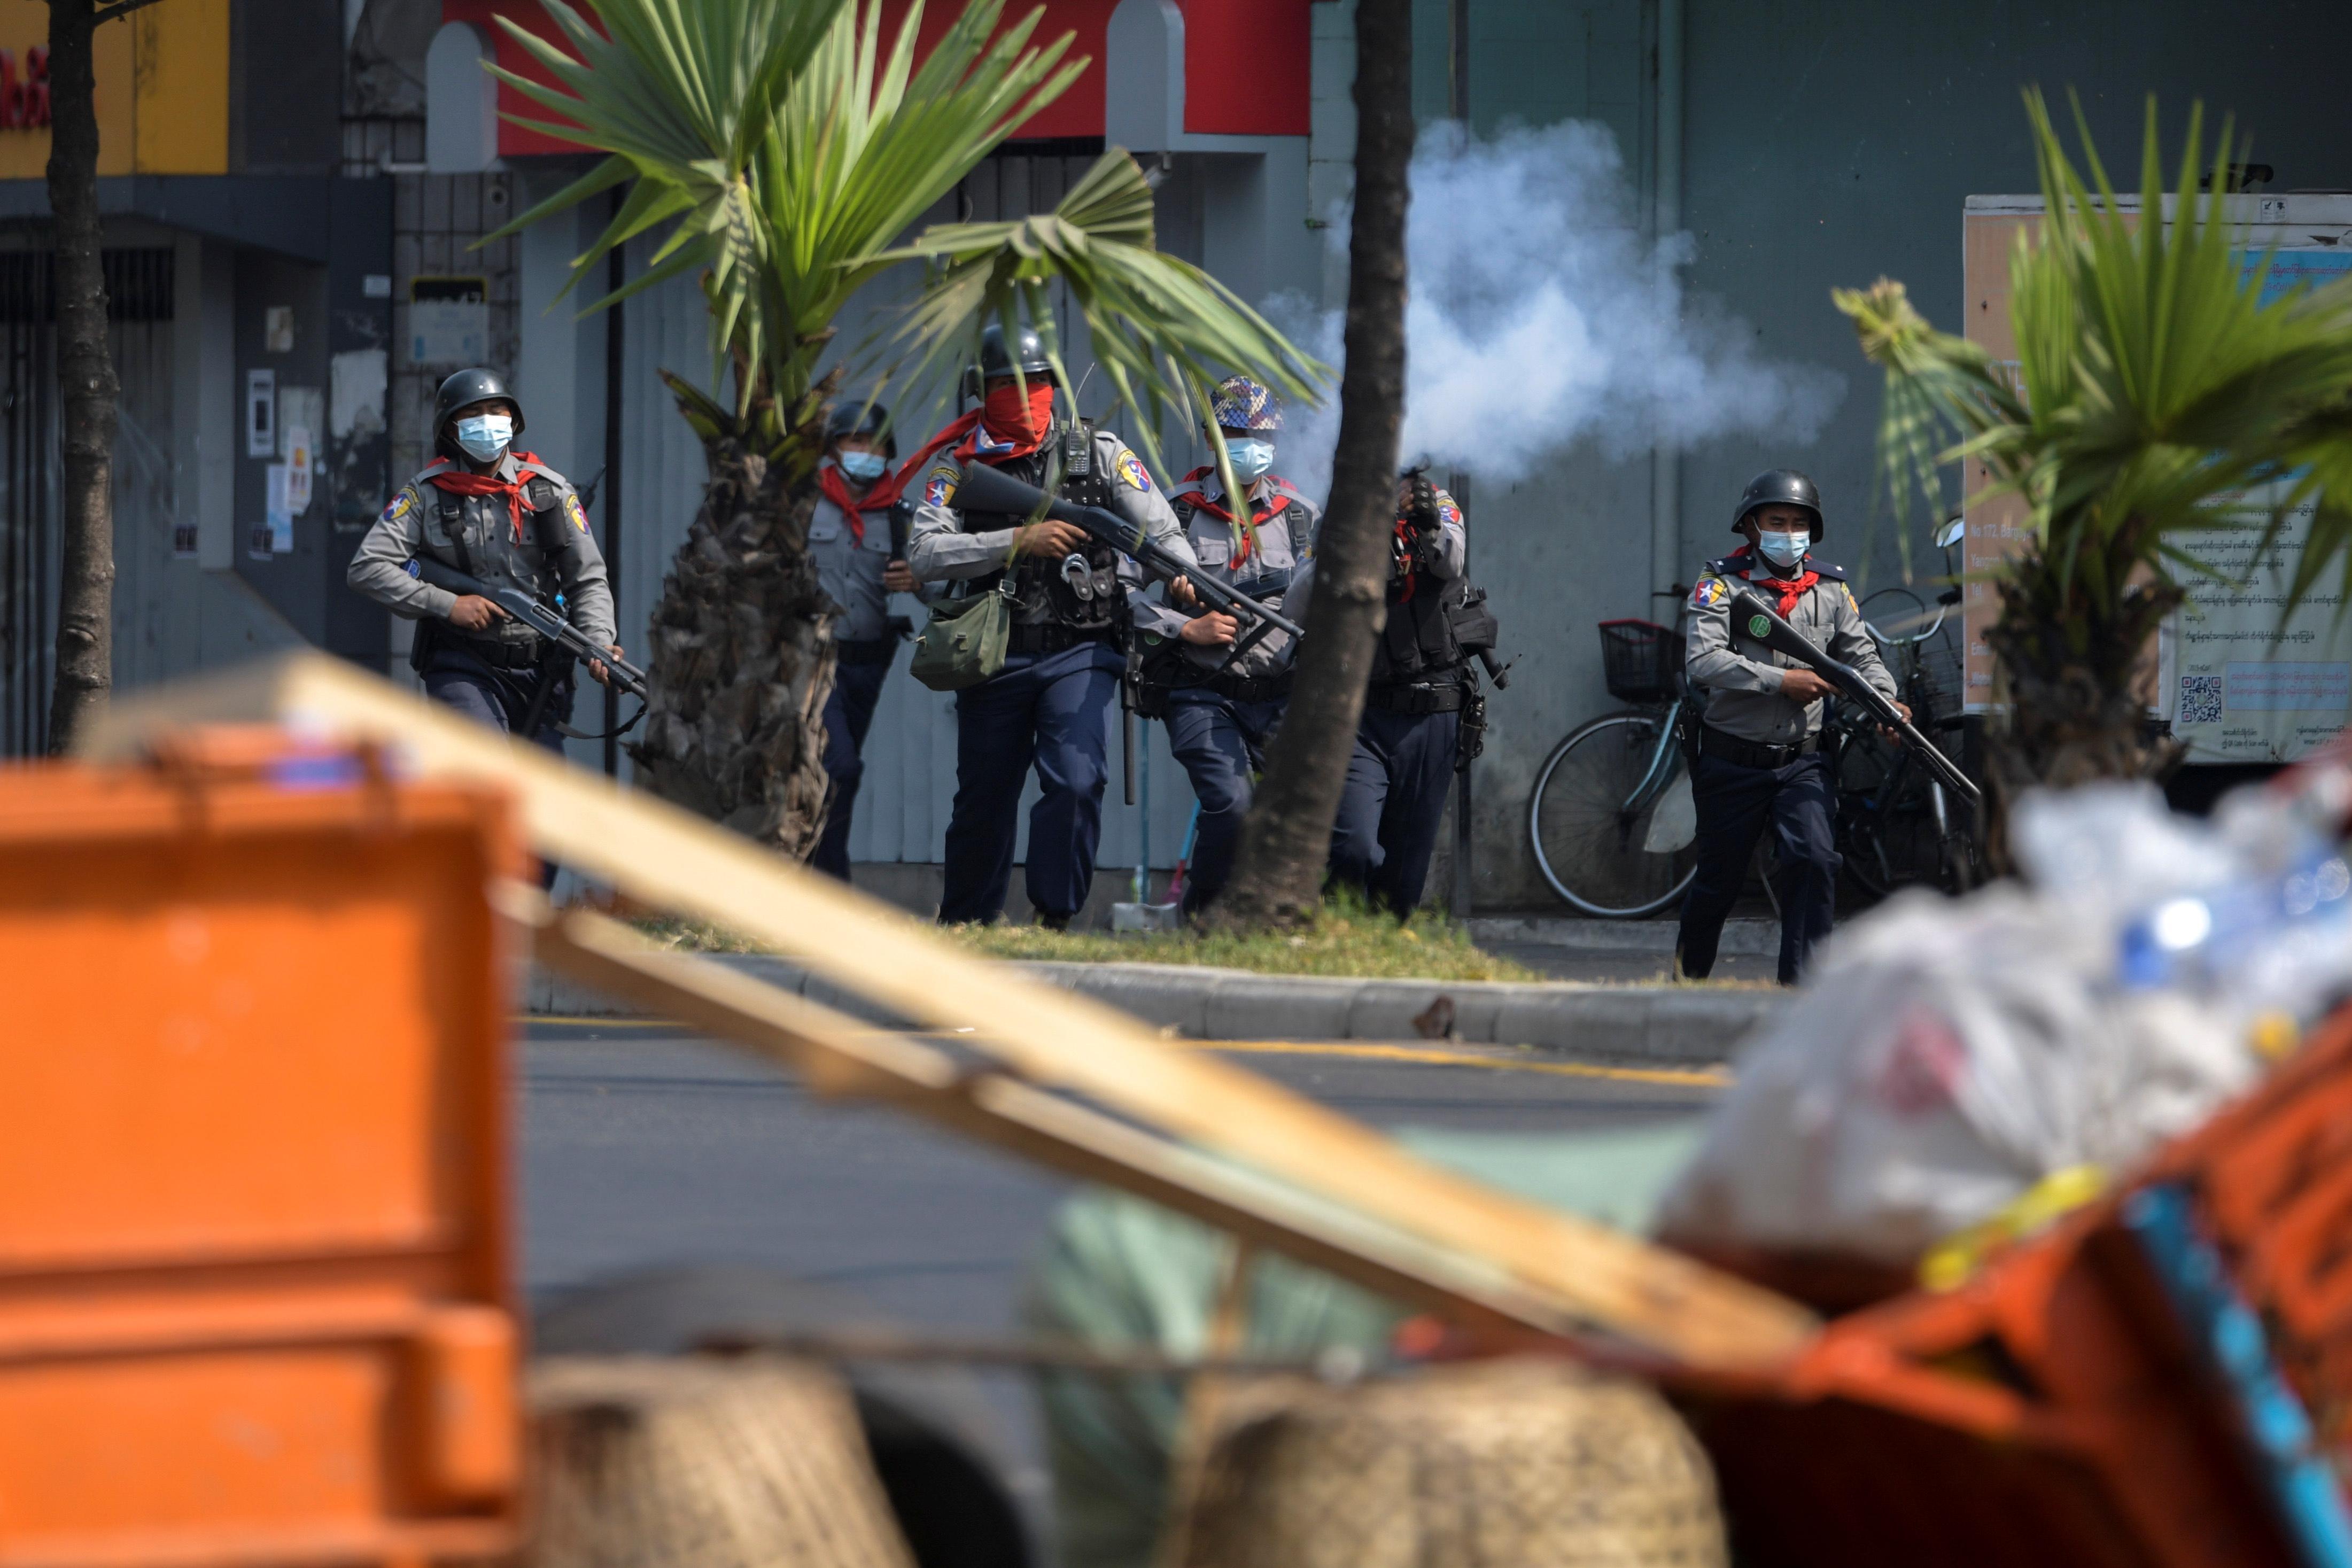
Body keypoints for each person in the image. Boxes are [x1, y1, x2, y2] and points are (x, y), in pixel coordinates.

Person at [905, 324, 1197, 928]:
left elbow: (1164, 534)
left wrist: (1182, 576)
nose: (1027, 394)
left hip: (1082, 649)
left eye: (1037, 382)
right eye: (1010, 384)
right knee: (984, 801)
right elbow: (924, 554)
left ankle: (1055, 917)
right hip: (992, 655)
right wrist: (1015, 540)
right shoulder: (959, 466)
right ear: (983, 391)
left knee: (1077, 780)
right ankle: (967, 923)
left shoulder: (1102, 453)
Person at [1677, 469, 1906, 985]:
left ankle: (1801, 996)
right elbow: (1703, 660)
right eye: (1775, 521)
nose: (1788, 532)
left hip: (1802, 761)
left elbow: (1861, 655)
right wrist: (1781, 680)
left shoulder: (1829, 588)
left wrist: (1888, 703)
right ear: (1751, 527)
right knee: (1716, 883)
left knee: (1814, 860)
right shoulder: (1720, 582)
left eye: (1798, 523)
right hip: (1731, 760)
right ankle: (1685, 983)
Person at [348, 367, 622, 755]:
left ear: (513, 421)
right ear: (450, 428)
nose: (488, 422)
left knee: (539, 797)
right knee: (485, 770)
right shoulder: (426, 495)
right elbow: (367, 567)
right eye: (473, 414)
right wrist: (448, 604)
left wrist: (599, 642)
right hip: (463, 664)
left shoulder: (549, 491)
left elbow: (587, 580)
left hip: (541, 671)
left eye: (497, 410)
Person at [1139, 375, 1321, 917]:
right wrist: (1182, 626)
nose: (1250, 443)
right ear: (1211, 434)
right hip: (1202, 691)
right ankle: (1200, 911)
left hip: (1282, 695)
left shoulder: (1300, 516)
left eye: (1261, 433)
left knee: (1307, 814)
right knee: (1232, 804)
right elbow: (1116, 595)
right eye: (1236, 432)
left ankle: (1282, 920)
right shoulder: (1175, 513)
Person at [1326, 472, 1472, 915]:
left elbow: (1452, 563)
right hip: (1361, 715)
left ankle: (1382, 963)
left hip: (1431, 713)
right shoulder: (1339, 507)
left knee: (1403, 882)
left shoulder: (1439, 506)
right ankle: (1334, 935)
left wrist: (1427, 525)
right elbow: (1299, 602)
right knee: (1354, 847)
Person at [809, 398, 932, 881]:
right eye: (854, 441)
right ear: (834, 447)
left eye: (875, 443)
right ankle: (830, 882)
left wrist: (919, 583)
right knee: (841, 766)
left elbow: (944, 586)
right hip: (810, 661)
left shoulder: (903, 515)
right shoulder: (801, 503)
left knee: (835, 774)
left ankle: (809, 874)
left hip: (867, 664)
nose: (865, 451)